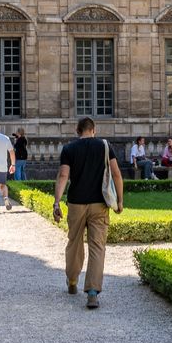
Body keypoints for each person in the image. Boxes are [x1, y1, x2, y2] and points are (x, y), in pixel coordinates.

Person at [52, 116, 124, 310]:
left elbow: (64, 175)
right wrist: (119, 200)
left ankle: (73, 280)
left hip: (76, 202)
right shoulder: (105, 146)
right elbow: (116, 174)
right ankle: (92, 292)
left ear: (78, 131)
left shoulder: (69, 149)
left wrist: (56, 202)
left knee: (74, 241)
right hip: (99, 203)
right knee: (97, 247)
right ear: (94, 130)